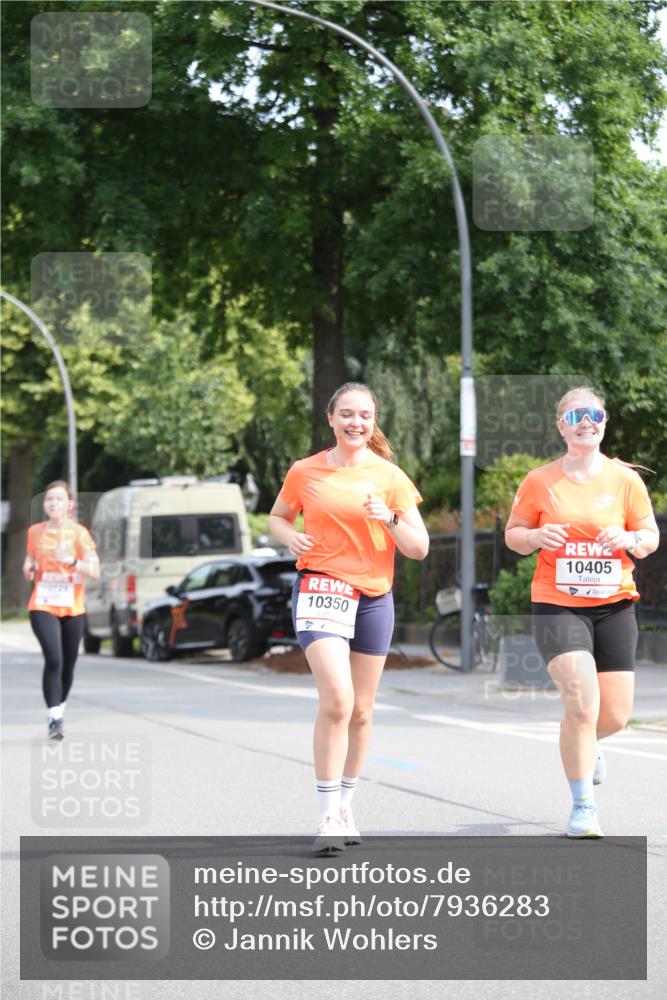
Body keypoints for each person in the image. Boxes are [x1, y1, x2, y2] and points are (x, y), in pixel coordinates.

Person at [268, 383, 429, 854]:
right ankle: (326, 816)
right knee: (338, 700)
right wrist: (289, 538)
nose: (356, 422)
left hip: (373, 597)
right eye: (347, 414)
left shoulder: (390, 477)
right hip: (320, 589)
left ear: (373, 421)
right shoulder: (305, 471)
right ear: (331, 419)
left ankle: (345, 804)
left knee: (361, 709)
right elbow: (278, 517)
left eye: (365, 415)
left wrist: (389, 519)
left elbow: (419, 548)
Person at [505, 387, 659, 838]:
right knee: (582, 704)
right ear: (561, 426)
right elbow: (514, 534)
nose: (586, 422)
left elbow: (649, 536)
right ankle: (583, 807)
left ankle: (587, 744)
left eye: (594, 414)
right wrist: (535, 537)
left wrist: (630, 539)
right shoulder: (540, 481)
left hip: (615, 606)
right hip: (557, 604)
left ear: (604, 422)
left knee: (613, 716)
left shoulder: (625, 480)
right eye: (576, 416)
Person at [23, 481, 100, 740]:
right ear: (44, 504)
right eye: (49, 499)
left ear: (70, 505)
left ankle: (60, 707)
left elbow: (95, 570)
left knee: (68, 664)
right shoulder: (35, 532)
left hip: (73, 606)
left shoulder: (79, 533)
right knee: (54, 658)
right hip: (43, 603)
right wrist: (28, 566)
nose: (53, 503)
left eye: (58, 499)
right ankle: (54, 717)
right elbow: (30, 557)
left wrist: (73, 561)